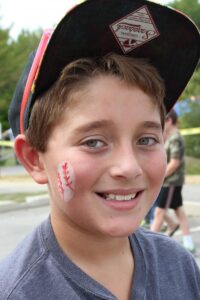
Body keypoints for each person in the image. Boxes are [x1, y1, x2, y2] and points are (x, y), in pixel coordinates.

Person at [0, 1, 200, 299]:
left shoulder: (180, 266)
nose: (129, 167)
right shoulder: (17, 292)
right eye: (93, 142)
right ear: (34, 159)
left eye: (146, 140)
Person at [150, 110, 195, 252]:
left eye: (163, 121)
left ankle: (150, 246)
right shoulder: (171, 137)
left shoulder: (175, 138)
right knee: (178, 211)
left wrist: (160, 176)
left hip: (171, 182)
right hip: (172, 182)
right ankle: (189, 243)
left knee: (159, 212)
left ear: (169, 120)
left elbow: (174, 162)